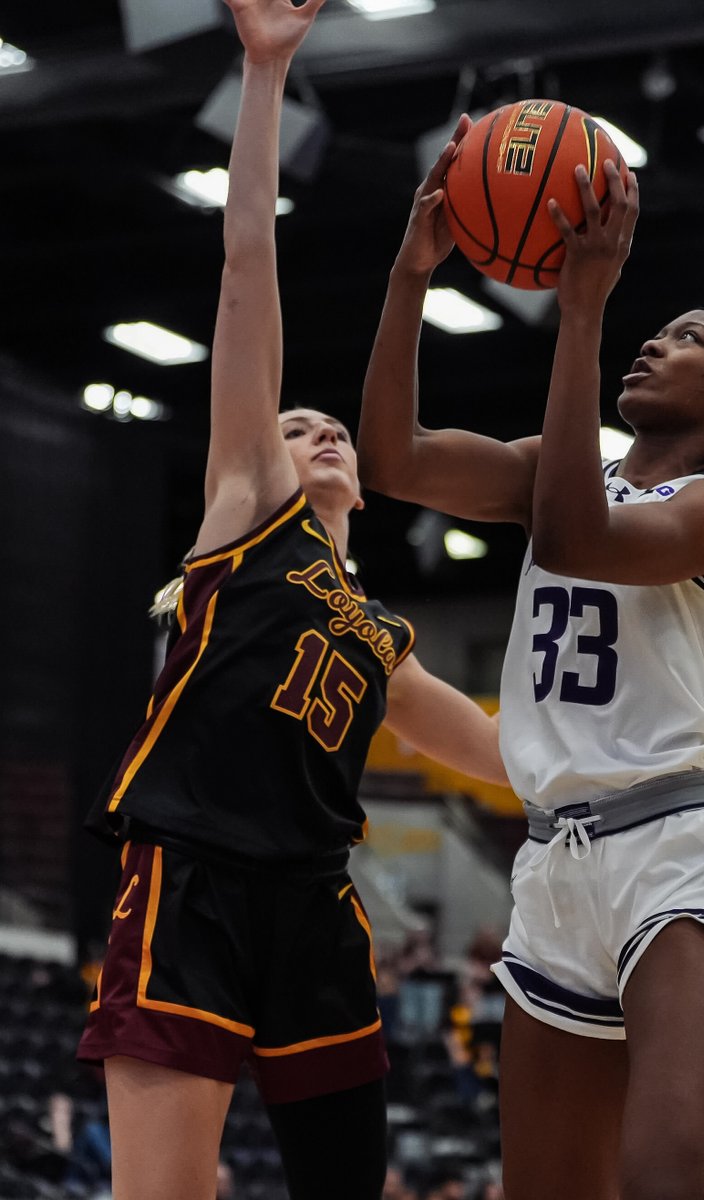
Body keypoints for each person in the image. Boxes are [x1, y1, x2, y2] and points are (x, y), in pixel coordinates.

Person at [75, 6, 508, 1200]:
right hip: (191, 881)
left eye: (332, 430)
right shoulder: (248, 508)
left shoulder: (381, 639)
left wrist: (651, 770)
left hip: (316, 904)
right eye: (293, 423)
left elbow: (513, 756)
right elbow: (247, 269)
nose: (317, 429)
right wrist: (265, 73)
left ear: (363, 484)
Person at [357, 125, 704, 1200]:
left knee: (666, 1184)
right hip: (552, 870)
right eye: (647, 333)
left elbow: (574, 539)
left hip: (676, 850)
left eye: (684, 342)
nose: (650, 347)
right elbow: (394, 457)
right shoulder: (565, 471)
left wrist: (582, 310)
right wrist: (410, 273)